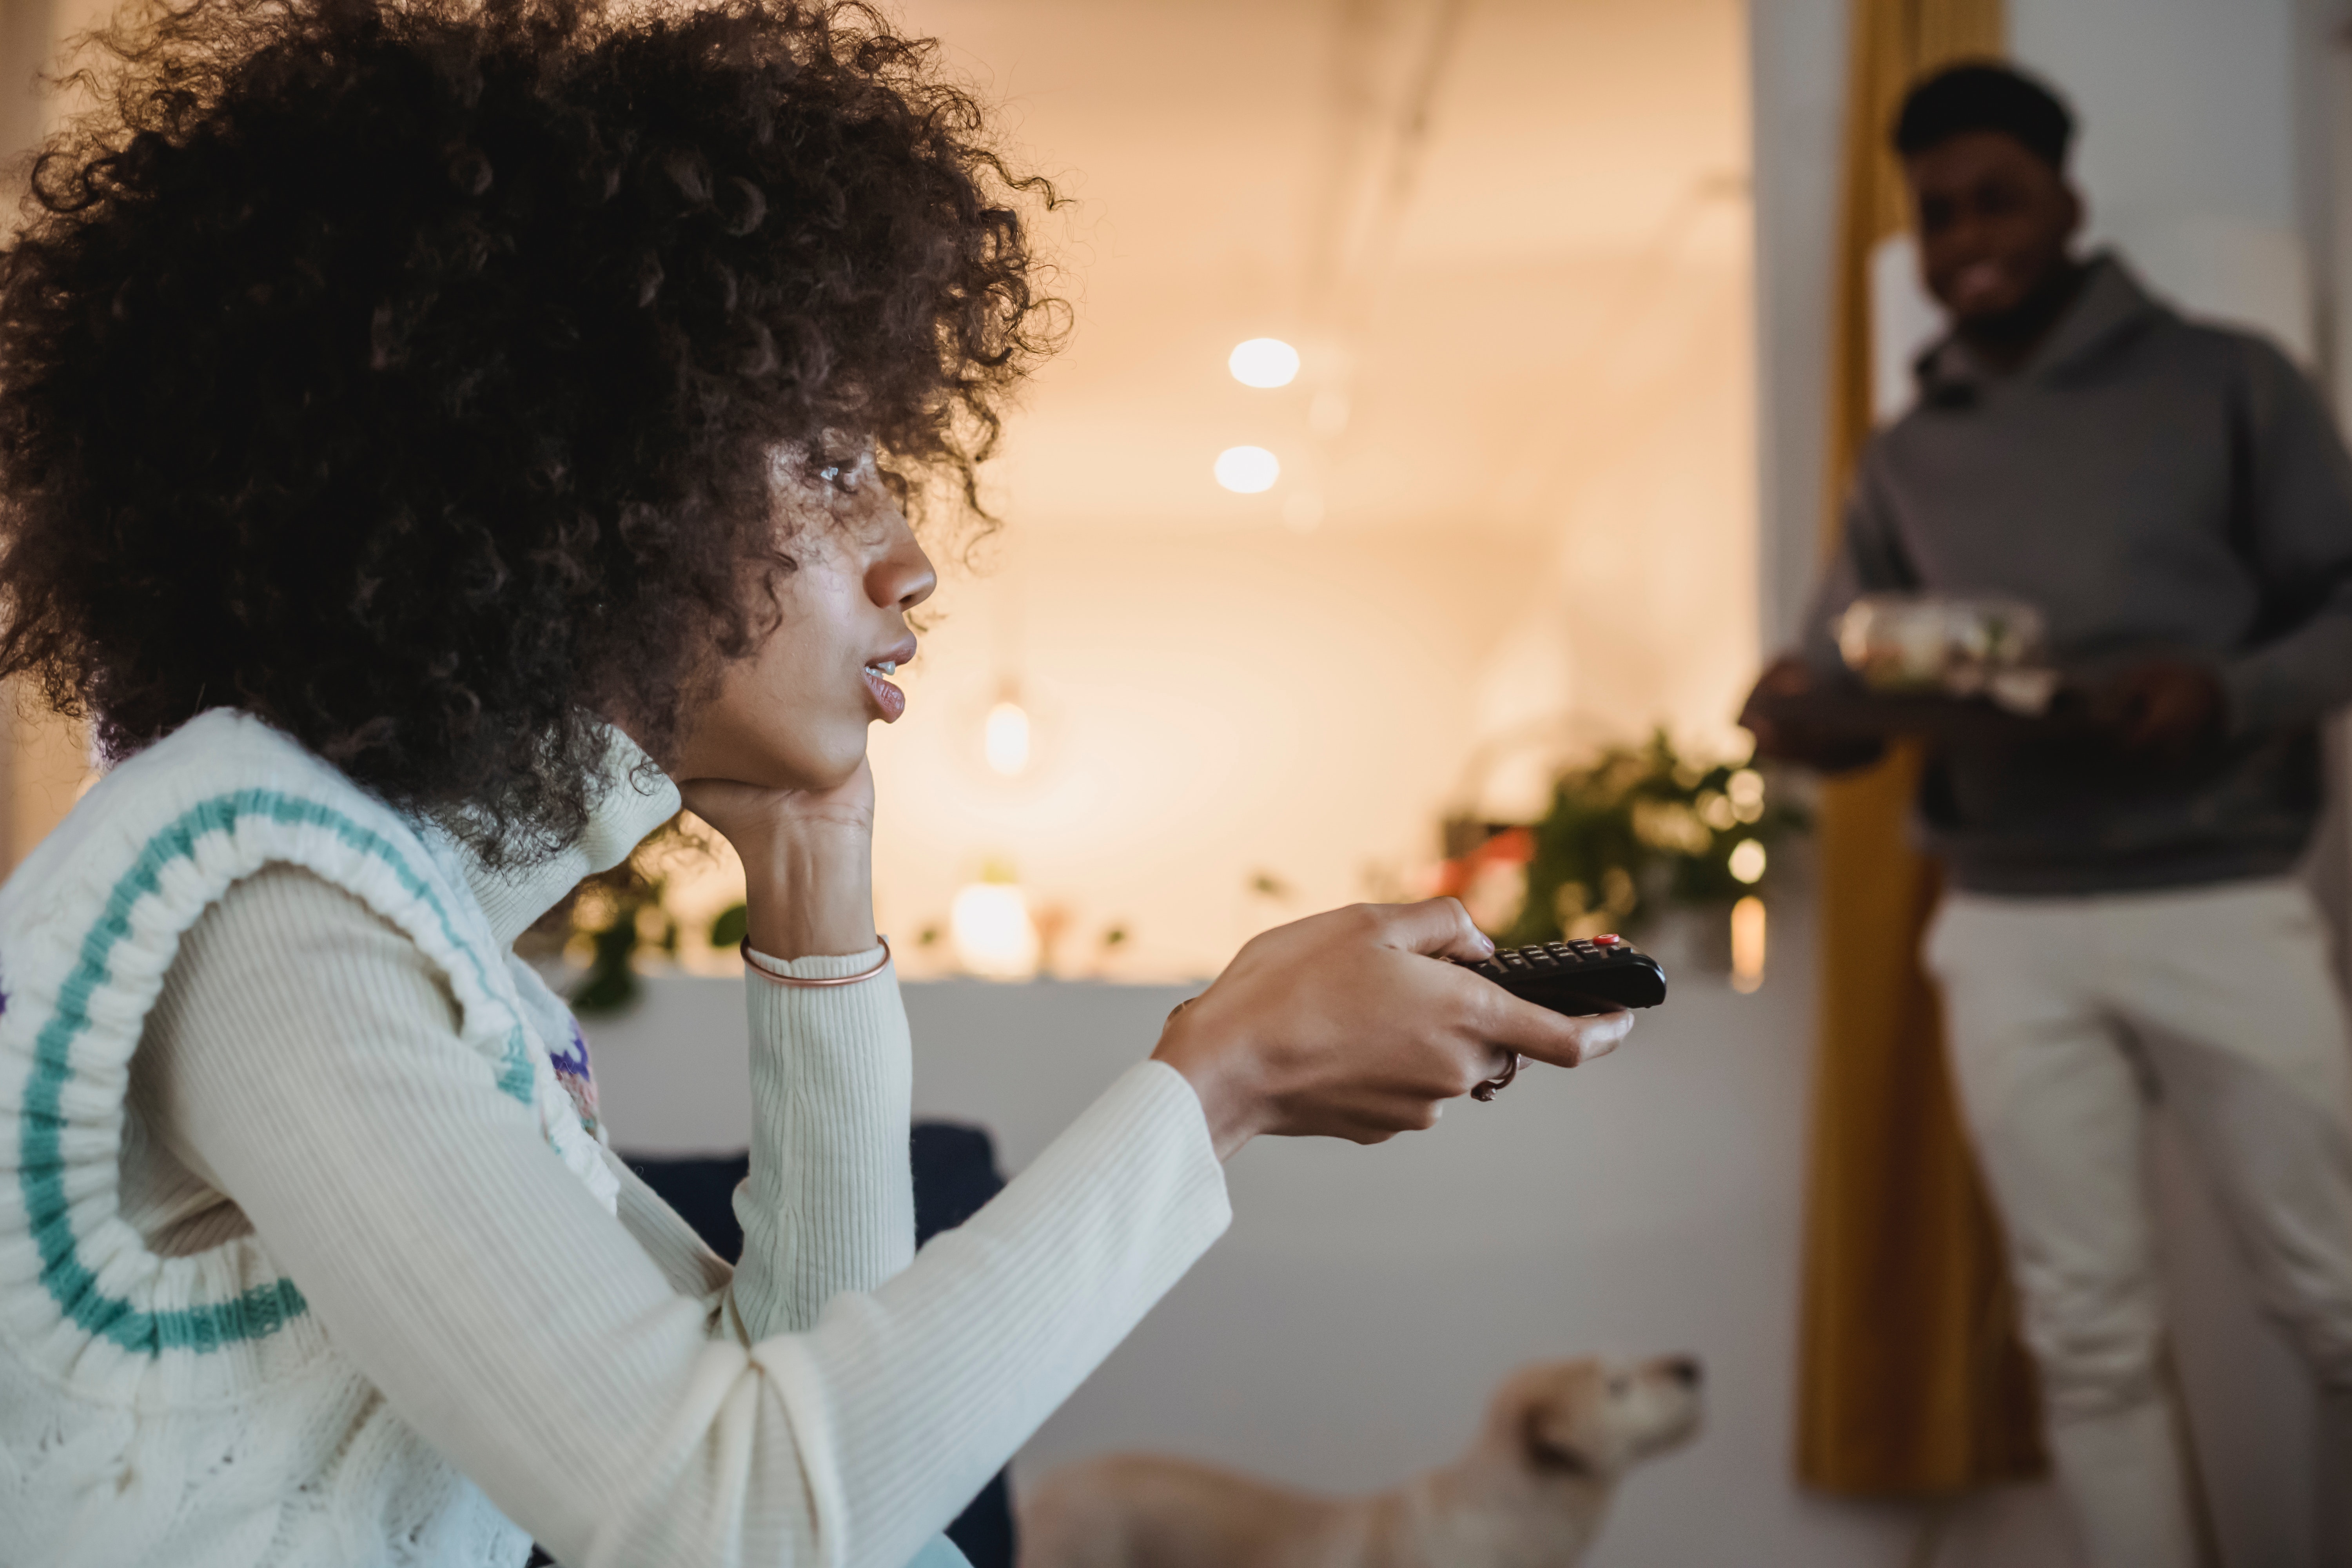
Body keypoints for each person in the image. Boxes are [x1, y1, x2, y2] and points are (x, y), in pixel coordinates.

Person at [0, 4, 1632, 1566]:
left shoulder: (418, 940)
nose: (915, 561)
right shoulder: (267, 924)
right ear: (590, 477)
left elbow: (812, 1417)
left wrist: (814, 856)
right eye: (836, 466)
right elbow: (745, 1523)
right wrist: (1226, 1080)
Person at [1746, 61, 2352, 1568]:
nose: (1966, 240)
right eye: (1938, 213)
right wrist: (1800, 717)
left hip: (2218, 893)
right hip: (2006, 928)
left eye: (1994, 200)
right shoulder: (1908, 451)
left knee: (2335, 1292)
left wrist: (2222, 694)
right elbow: (1845, 682)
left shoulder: (2231, 381)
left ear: (2068, 203)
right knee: (2086, 1338)